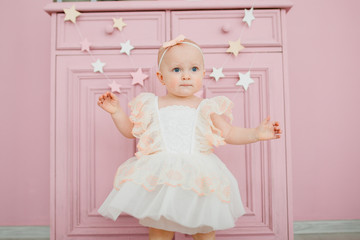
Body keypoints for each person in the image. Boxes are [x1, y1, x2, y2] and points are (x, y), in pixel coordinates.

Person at [97, 35, 282, 240]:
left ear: (202, 74)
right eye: (177, 70)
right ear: (161, 77)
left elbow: (229, 133)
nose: (186, 76)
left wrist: (256, 134)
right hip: (162, 176)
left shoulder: (205, 107)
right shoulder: (152, 105)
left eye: (193, 69)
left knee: (203, 229)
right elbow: (130, 130)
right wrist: (116, 112)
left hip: (198, 176)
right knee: (160, 228)